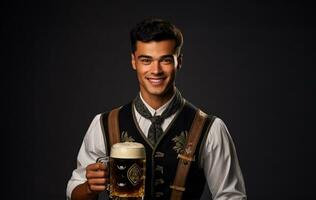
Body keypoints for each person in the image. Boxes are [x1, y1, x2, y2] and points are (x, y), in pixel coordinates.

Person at [66, 18, 247, 200]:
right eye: (146, 60)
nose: (156, 70)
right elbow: (74, 192)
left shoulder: (211, 129)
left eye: (166, 60)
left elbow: (231, 197)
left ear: (179, 62)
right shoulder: (103, 124)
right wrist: (89, 188)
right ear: (133, 61)